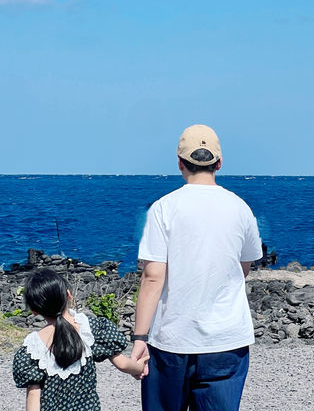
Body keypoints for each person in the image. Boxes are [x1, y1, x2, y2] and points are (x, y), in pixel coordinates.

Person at [131, 123, 262, 411]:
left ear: (180, 162)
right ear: (219, 162)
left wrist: (140, 337)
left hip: (171, 340)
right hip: (226, 339)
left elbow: (153, 277)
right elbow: (244, 266)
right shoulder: (240, 207)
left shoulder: (164, 208)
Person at [12, 268, 148, 411]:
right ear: (68, 295)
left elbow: (33, 395)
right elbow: (123, 364)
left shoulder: (33, 347)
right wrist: (139, 366)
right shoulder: (90, 329)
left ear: (34, 311)